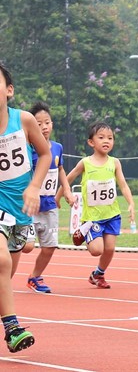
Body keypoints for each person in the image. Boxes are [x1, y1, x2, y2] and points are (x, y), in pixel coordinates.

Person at [0, 63, 51, 352]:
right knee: (1, 262)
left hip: (20, 211)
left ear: (9, 90)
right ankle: (12, 329)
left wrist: (33, 187)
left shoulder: (25, 120)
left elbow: (43, 154)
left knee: (5, 274)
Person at [56, 121, 135, 289]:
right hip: (93, 218)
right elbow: (67, 179)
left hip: (112, 214)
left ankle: (98, 274)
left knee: (110, 249)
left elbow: (123, 184)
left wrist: (131, 203)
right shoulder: (85, 163)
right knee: (96, 250)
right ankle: (83, 231)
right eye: (101, 137)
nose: (106, 141)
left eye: (110, 138)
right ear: (91, 142)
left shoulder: (115, 163)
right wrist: (58, 196)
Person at [23, 101, 75, 293]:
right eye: (38, 123)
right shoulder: (28, 149)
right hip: (29, 205)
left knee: (50, 246)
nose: (44, 127)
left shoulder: (57, 147)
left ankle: (34, 277)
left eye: (47, 122)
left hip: (49, 204)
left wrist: (66, 191)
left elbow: (60, 170)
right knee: (27, 246)